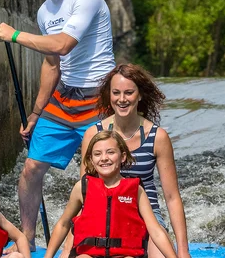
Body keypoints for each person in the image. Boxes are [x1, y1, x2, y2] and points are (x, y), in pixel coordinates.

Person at [0, 0, 115, 251]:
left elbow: (62, 45)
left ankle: (83, 239)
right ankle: (28, 240)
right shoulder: (45, 12)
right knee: (31, 168)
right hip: (65, 99)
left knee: (93, 175)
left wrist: (16, 35)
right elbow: (52, 64)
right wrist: (35, 114)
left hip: (100, 98)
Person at [63, 64, 190, 258]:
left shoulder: (158, 137)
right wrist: (68, 243)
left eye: (129, 92)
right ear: (109, 95)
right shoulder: (93, 135)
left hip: (146, 217)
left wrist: (183, 251)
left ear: (139, 95)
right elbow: (86, 193)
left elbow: (172, 198)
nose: (122, 99)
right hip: (102, 215)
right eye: (116, 93)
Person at [44, 131, 178, 258]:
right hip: (90, 254)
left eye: (110, 152)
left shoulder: (136, 190)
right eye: (97, 154)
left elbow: (155, 230)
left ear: (123, 157)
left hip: (125, 254)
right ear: (91, 159)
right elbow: (63, 224)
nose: (104, 158)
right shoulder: (82, 187)